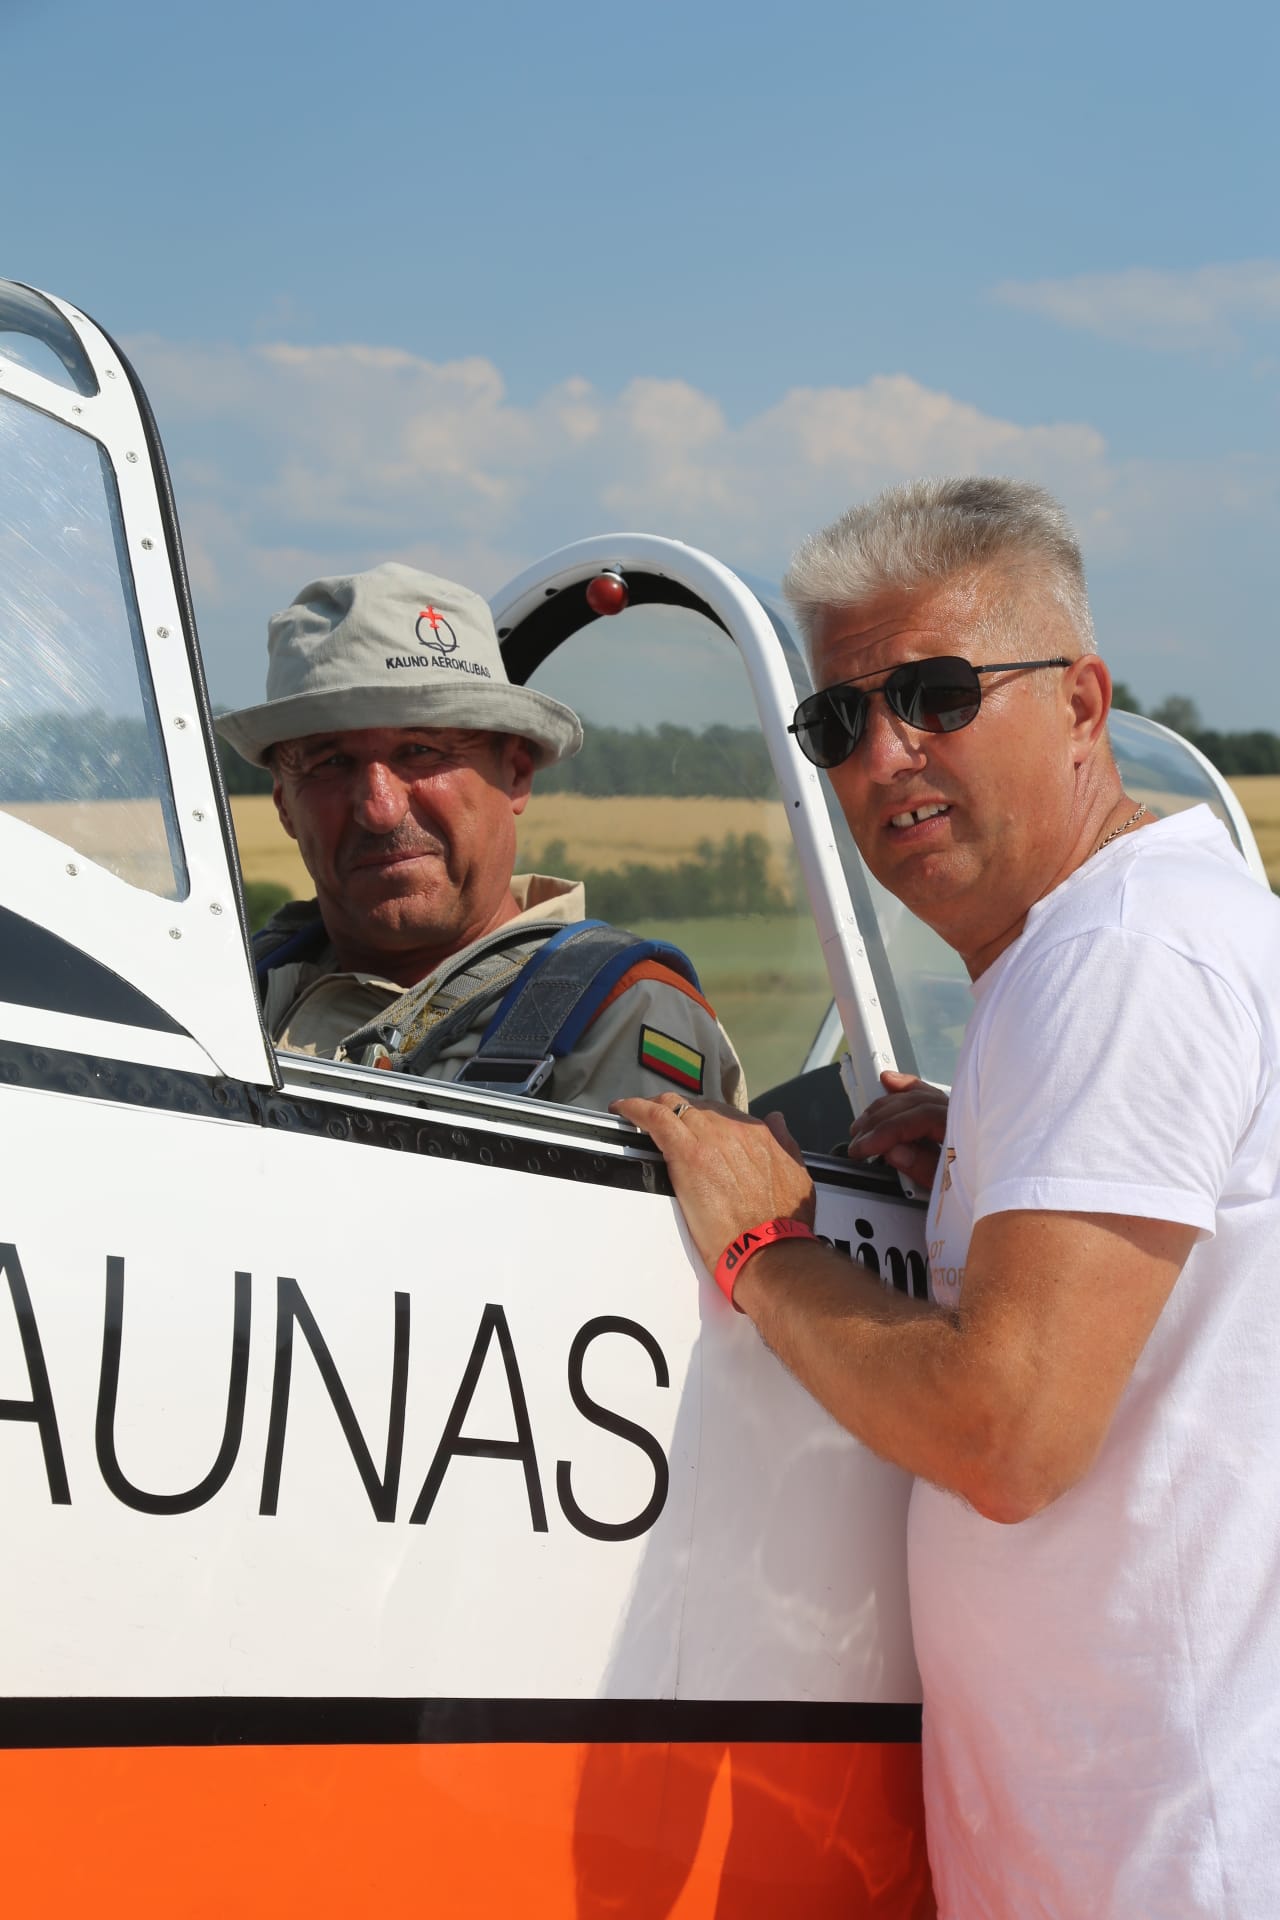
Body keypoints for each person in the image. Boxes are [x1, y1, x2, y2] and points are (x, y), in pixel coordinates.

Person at [615, 477, 1280, 1917]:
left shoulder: (1121, 955)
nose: (884, 755)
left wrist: (765, 1247)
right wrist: (980, 1151)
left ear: (1082, 704)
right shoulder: (1127, 942)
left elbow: (1006, 1431)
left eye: (936, 695)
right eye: (838, 721)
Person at [218, 562, 745, 1110]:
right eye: (330, 762)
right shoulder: (220, 993)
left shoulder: (617, 1015)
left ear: (515, 773)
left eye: (421, 751)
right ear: (285, 806)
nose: (379, 809)